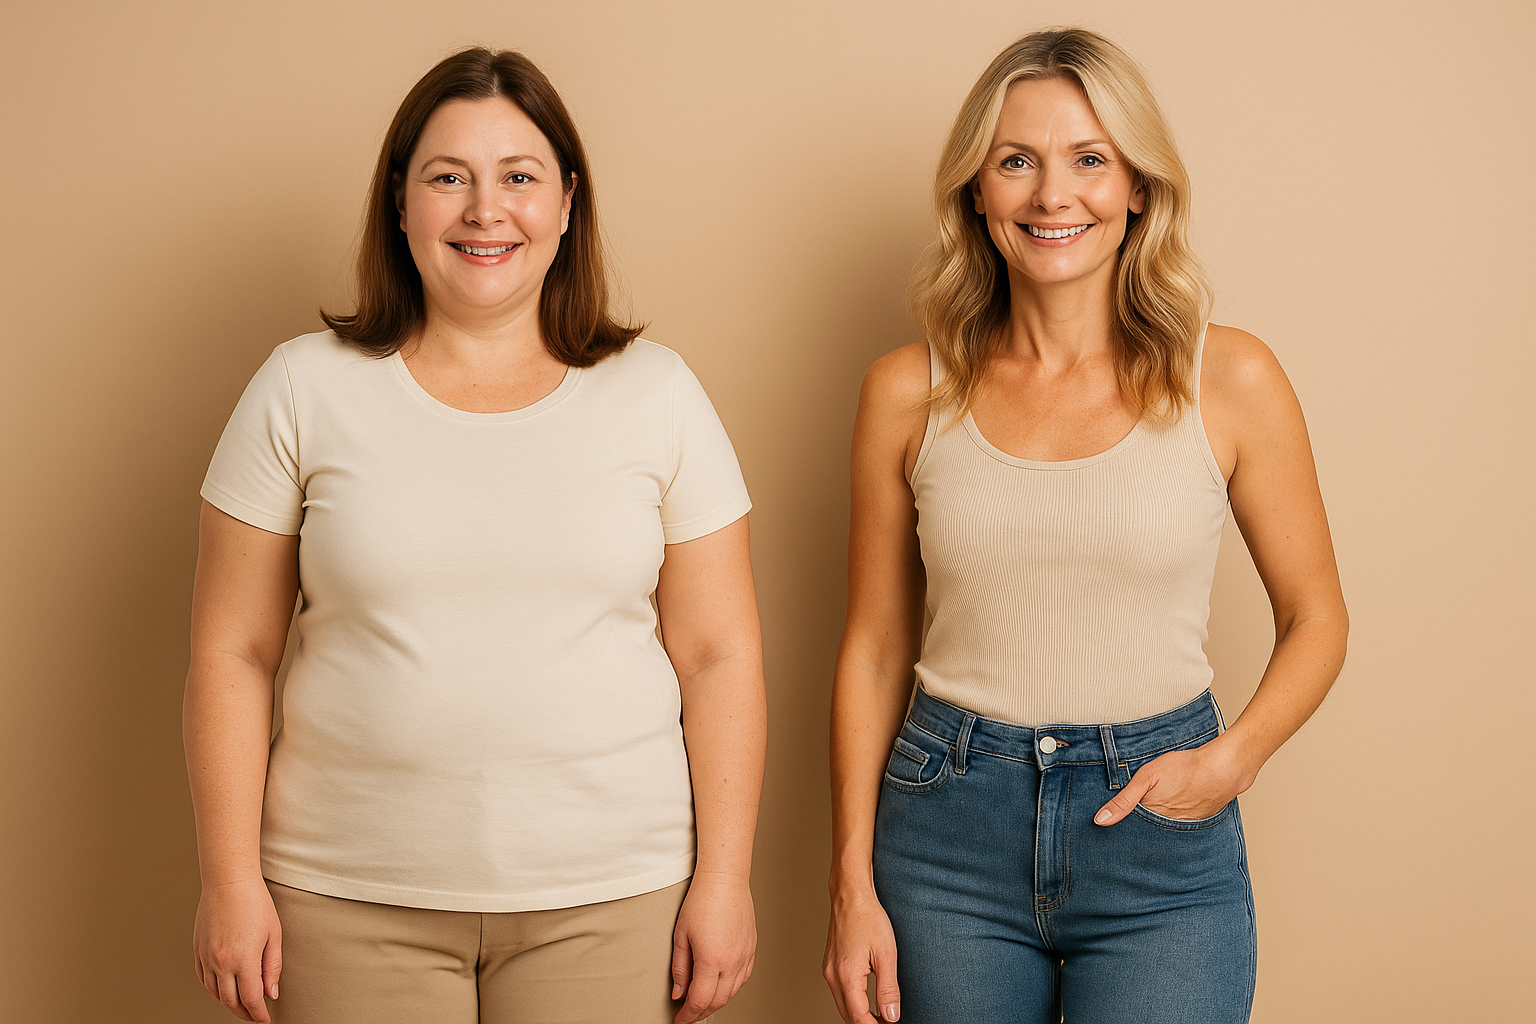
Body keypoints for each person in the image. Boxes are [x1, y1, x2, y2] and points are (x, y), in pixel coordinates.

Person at [185, 48, 765, 1024]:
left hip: (612, 899)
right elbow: (232, 651)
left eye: (519, 177)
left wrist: (727, 878)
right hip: (344, 893)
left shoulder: (658, 393)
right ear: (401, 202)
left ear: (569, 202)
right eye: (448, 177)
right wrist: (229, 879)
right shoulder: (301, 387)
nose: (483, 210)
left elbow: (719, 655)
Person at [823, 27, 1348, 1024]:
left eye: (1090, 160)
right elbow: (874, 646)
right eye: (1016, 160)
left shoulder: (1229, 378)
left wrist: (1230, 762)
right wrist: (852, 888)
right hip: (946, 836)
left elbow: (1319, 617)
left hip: (1160, 843)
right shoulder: (904, 392)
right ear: (977, 192)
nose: (1051, 194)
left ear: (1139, 188)